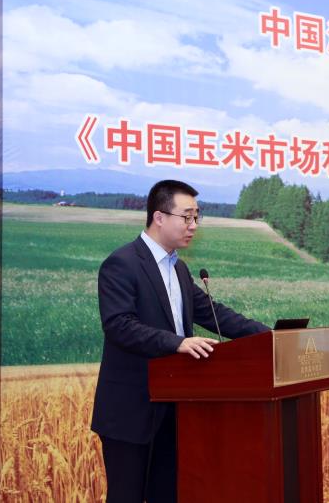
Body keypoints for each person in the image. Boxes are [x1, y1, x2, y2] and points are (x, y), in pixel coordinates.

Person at [91, 179, 270, 503]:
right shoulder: (122, 264)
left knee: (169, 495)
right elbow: (119, 325)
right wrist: (177, 343)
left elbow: (215, 314)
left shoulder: (179, 270)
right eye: (187, 217)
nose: (194, 225)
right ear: (159, 217)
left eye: (196, 217)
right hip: (131, 411)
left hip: (175, 408)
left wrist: (270, 335)